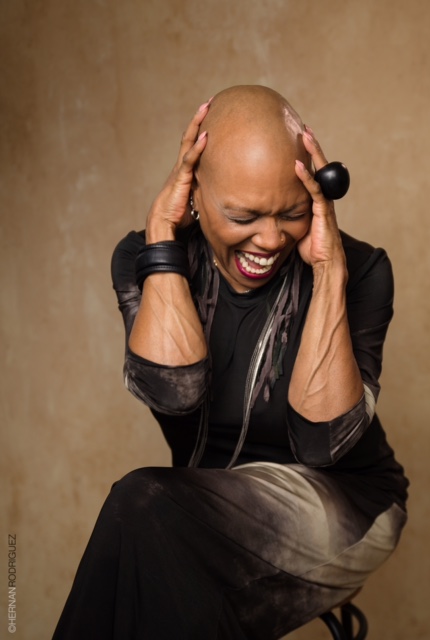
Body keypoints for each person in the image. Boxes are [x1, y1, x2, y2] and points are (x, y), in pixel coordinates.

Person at [53, 85, 408, 639]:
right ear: (194, 192)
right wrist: (162, 237)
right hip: (195, 512)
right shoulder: (145, 257)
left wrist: (329, 272)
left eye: (292, 212)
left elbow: (322, 443)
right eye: (243, 215)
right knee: (156, 546)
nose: (270, 238)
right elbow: (174, 392)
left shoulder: (361, 271)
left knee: (144, 507)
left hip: (346, 503)